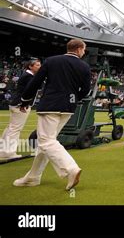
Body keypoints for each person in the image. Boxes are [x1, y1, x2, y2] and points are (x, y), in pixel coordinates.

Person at [13, 39, 91, 191]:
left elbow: (35, 82)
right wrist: (74, 99)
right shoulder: (84, 66)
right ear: (79, 49)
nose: (84, 52)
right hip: (68, 108)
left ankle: (71, 169)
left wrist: (24, 100)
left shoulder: (51, 61)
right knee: (47, 143)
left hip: (50, 105)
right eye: (84, 49)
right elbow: (85, 90)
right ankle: (33, 177)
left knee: (46, 142)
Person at [0, 58, 41, 160]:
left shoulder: (27, 75)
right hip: (21, 105)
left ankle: (3, 149)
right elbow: (28, 92)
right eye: (37, 65)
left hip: (17, 103)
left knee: (11, 127)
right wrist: (24, 104)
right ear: (30, 66)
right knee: (15, 128)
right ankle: (8, 152)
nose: (39, 67)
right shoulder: (28, 76)